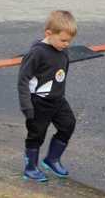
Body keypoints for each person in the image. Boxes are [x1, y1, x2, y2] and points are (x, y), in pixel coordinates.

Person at [18, 11, 78, 182]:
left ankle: (52, 159)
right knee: (36, 135)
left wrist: (59, 93)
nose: (67, 44)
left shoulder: (62, 50)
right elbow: (23, 79)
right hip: (39, 102)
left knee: (68, 125)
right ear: (48, 34)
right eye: (63, 40)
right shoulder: (37, 53)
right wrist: (26, 106)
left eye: (69, 41)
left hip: (58, 100)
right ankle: (30, 168)